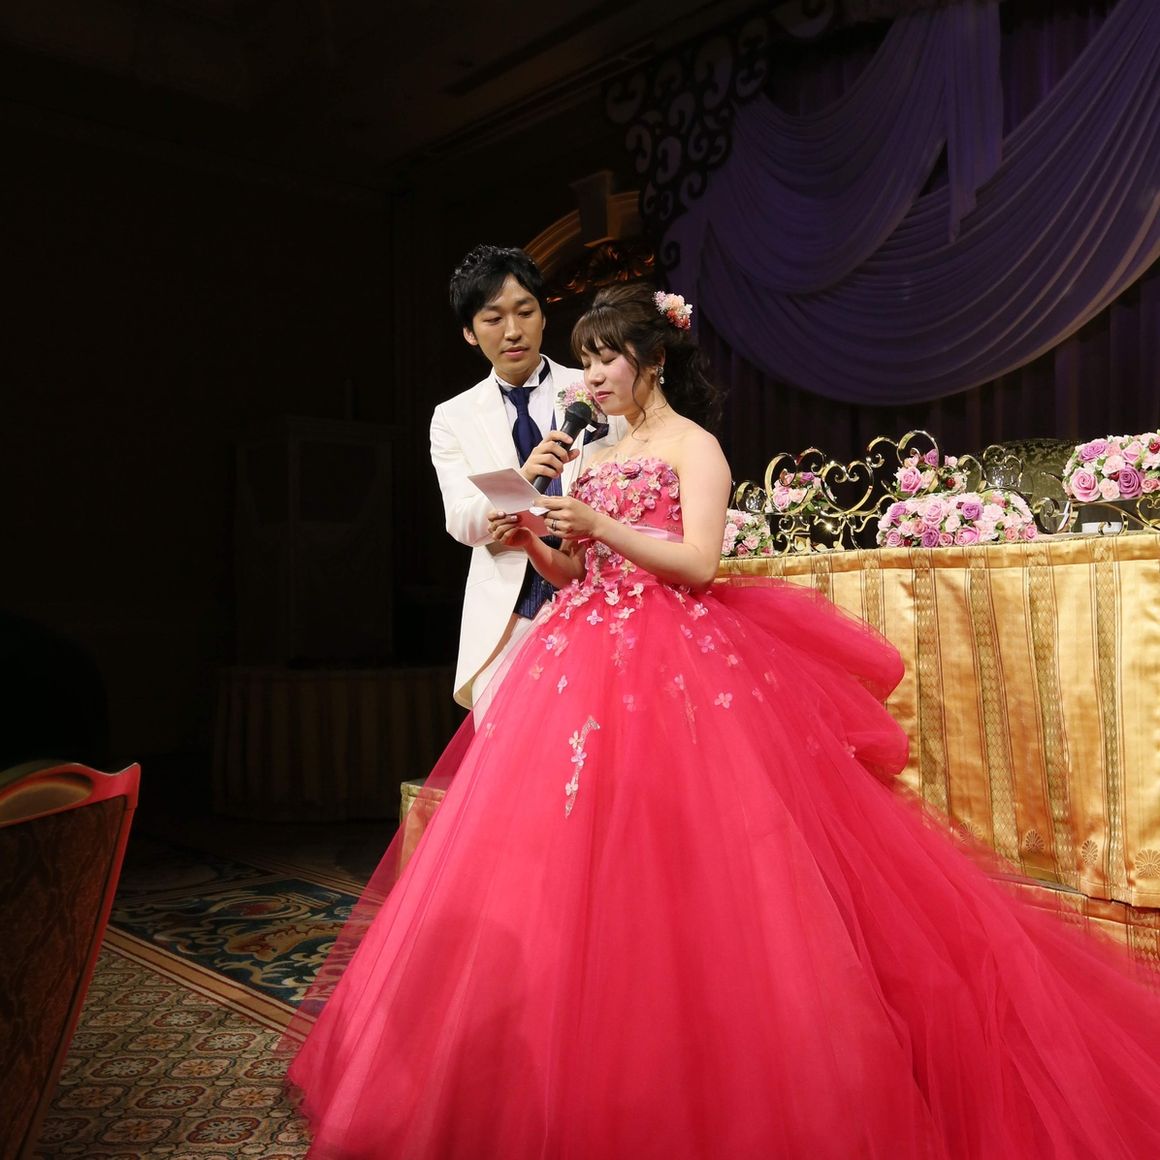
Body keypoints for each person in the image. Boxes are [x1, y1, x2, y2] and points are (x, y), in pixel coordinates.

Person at [289, 283, 1160, 1159]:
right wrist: (537, 547)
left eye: (607, 357)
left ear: (653, 360)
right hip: (577, 656)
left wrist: (599, 524)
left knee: (691, 859)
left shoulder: (694, 447)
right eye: (586, 359)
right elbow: (578, 576)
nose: (592, 375)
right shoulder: (589, 454)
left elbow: (699, 564)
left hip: (671, 657)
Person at [430, 243, 624, 714]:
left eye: (525, 312)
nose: (513, 331)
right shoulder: (452, 416)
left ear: (543, 315)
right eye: (493, 319)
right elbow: (461, 520)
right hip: (510, 610)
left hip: (599, 595)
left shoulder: (594, 387)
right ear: (470, 332)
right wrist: (520, 481)